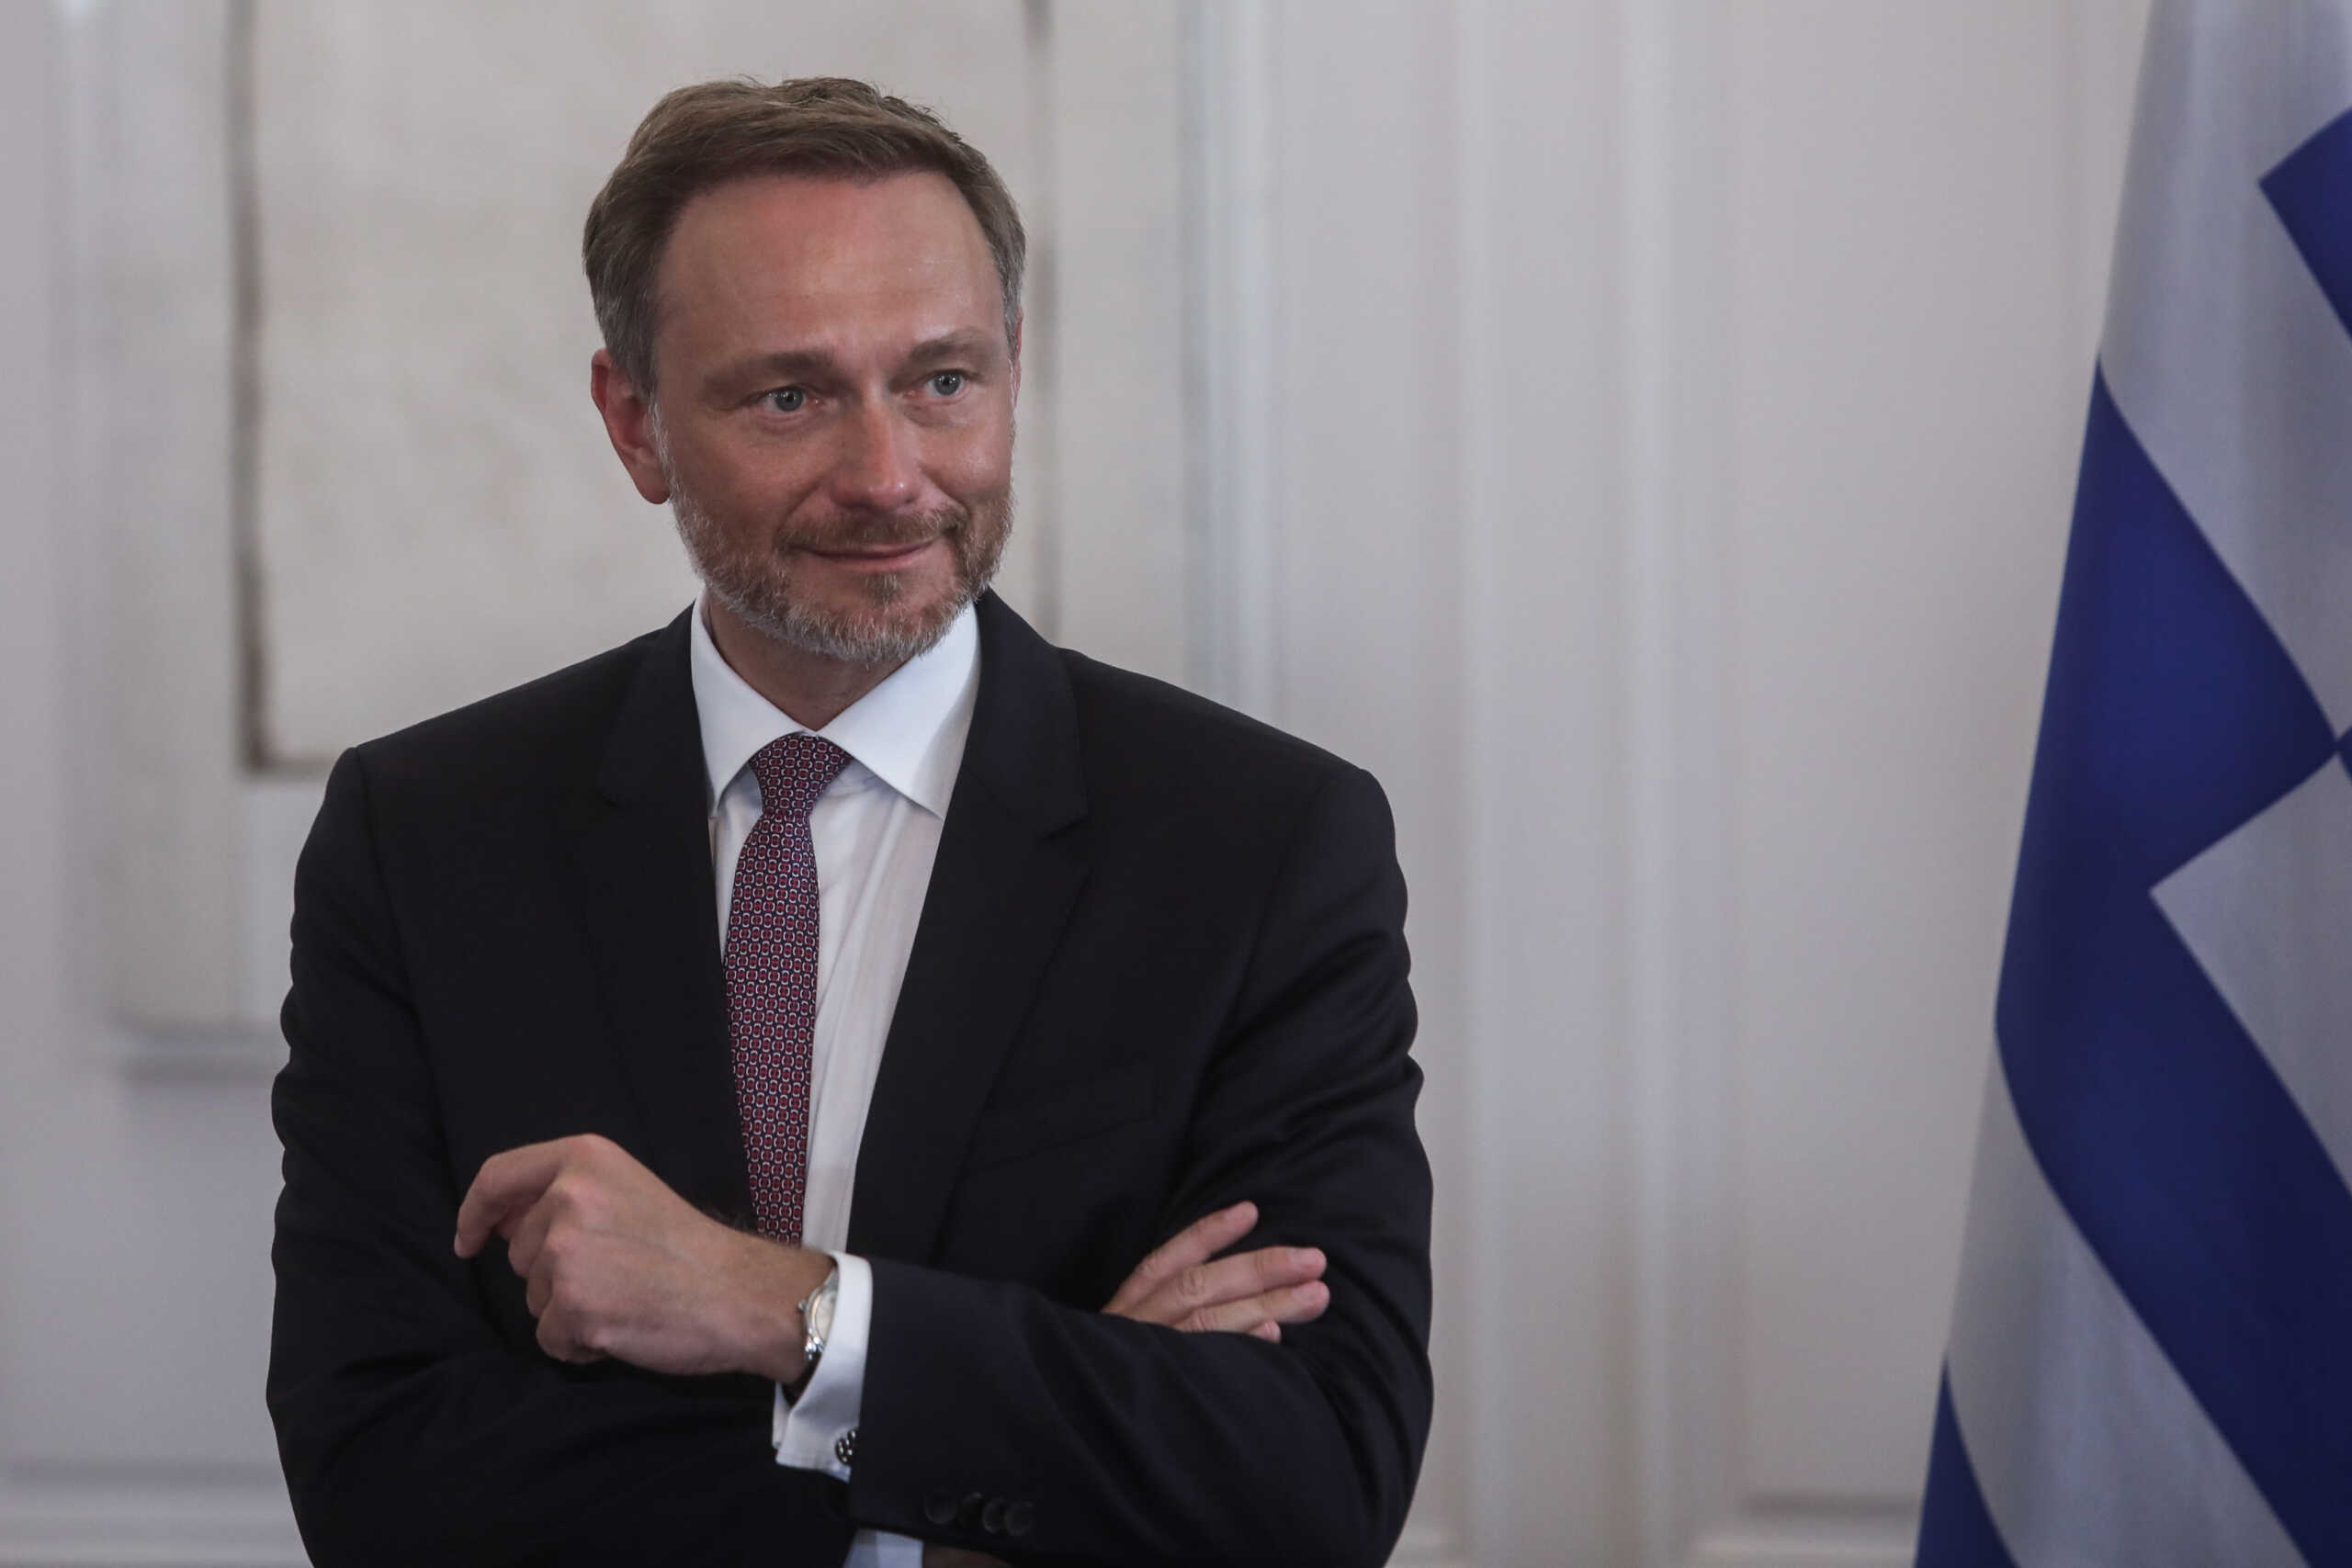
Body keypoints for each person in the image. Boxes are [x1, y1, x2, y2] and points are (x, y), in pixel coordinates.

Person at [266, 76, 1431, 1568]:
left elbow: (1311, 1477)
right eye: (790, 397)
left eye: (942, 380)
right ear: (634, 423)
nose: (889, 477)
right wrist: (1009, 1460)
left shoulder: (1263, 846)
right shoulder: (425, 838)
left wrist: (781, 1311)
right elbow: (381, 1487)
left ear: (1014, 371)